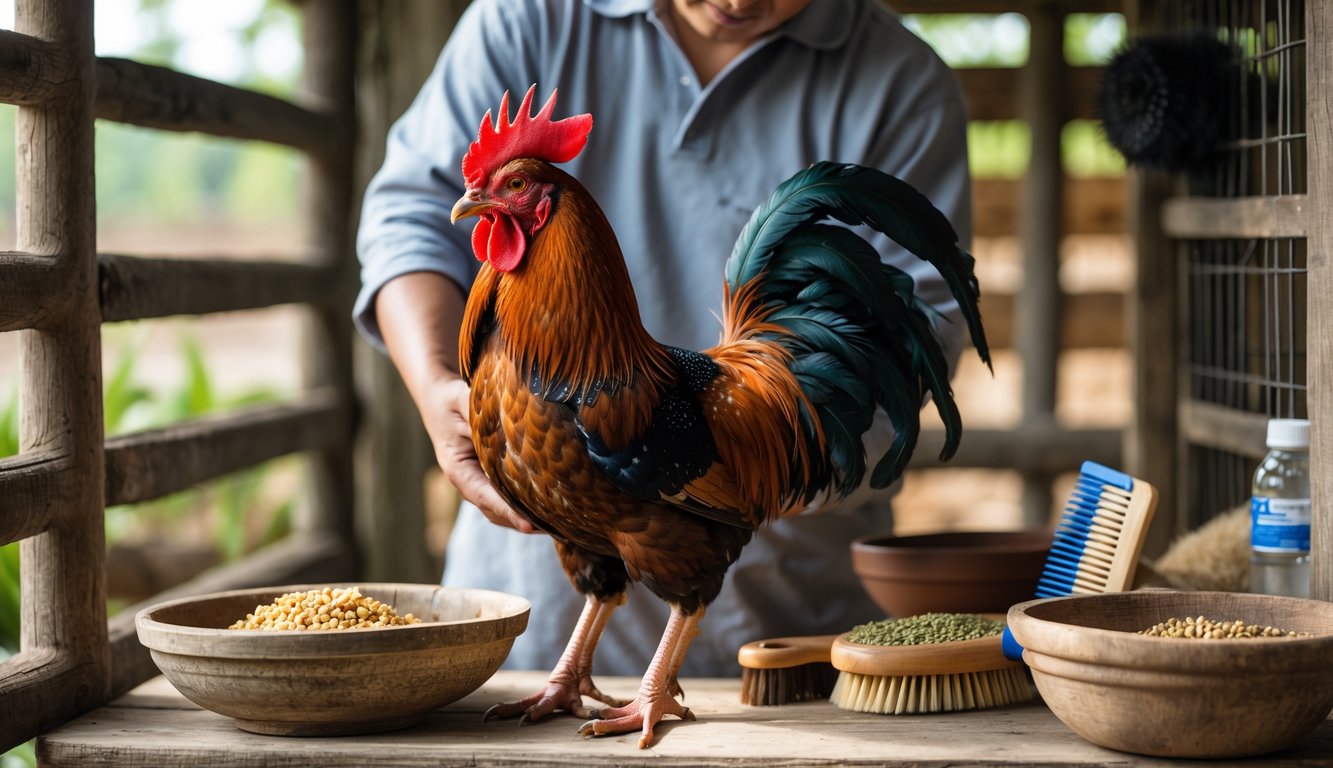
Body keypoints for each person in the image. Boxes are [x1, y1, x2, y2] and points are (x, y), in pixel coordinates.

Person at [354, 0, 972, 677]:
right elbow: (409, 212)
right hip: (529, 615)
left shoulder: (901, 79)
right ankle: (571, 670)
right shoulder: (526, 16)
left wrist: (796, 454)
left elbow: (929, 310)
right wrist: (438, 386)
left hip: (782, 618)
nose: (735, 2)